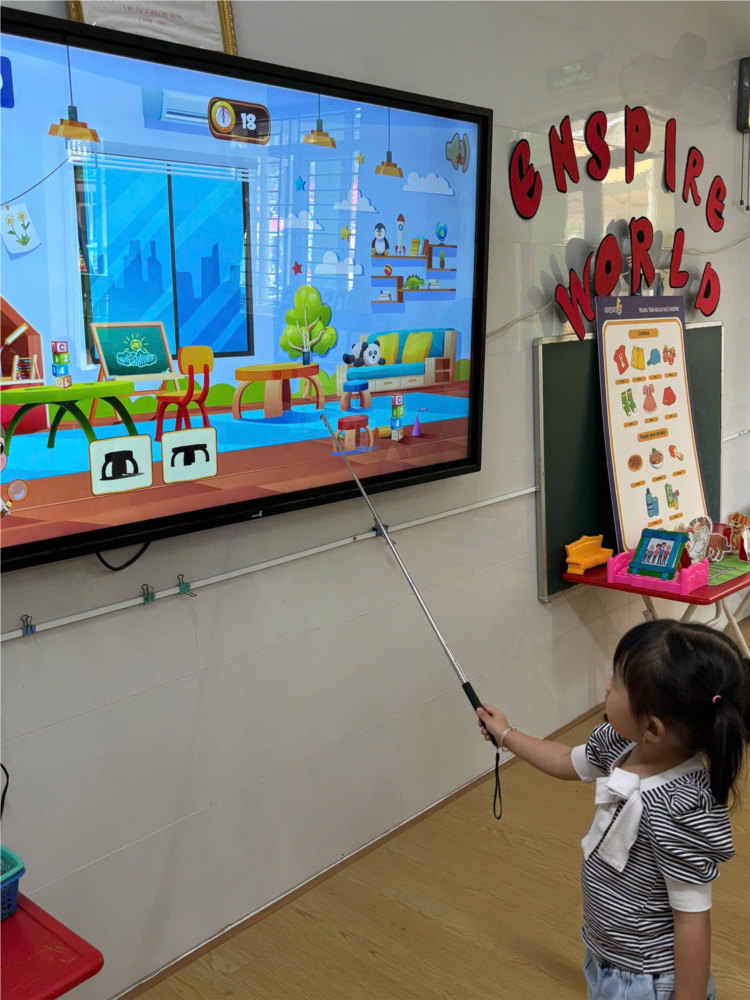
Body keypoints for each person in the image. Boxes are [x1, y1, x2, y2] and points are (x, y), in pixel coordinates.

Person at [477, 620, 750, 1000]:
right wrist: (506, 734)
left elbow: (692, 922)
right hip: (605, 952)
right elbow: (563, 761)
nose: (607, 686)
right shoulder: (620, 743)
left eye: (617, 683)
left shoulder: (678, 810)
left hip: (646, 979)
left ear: (652, 728)